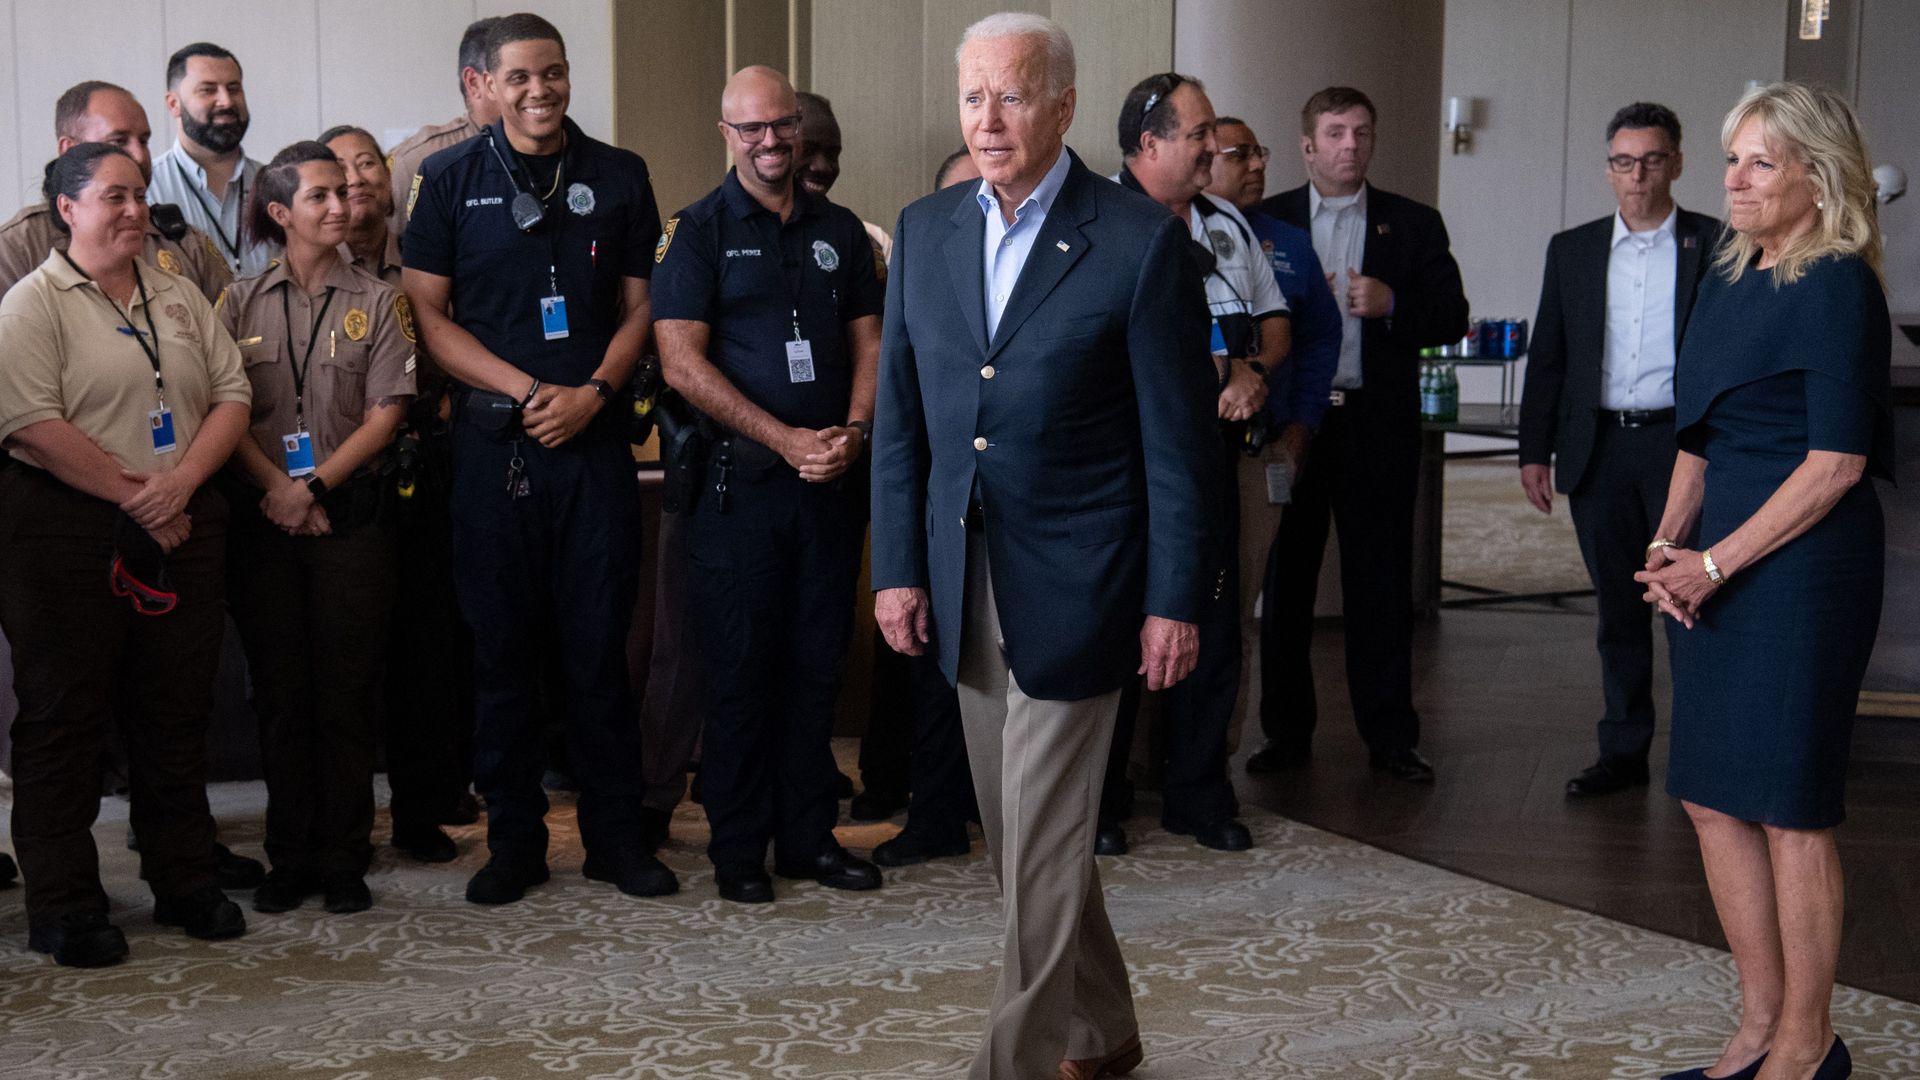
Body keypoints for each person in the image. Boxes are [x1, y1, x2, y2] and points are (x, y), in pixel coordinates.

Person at [872, 14, 1216, 1079]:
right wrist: (895, 565)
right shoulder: (924, 230)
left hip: (1087, 583)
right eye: (973, 96)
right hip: (960, 574)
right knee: (1025, 838)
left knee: (1045, 837)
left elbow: (1179, 446)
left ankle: (1009, 1063)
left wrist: (1176, 599)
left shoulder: (1139, 240)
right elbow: (902, 421)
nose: (987, 119)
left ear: (1062, 107)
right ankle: (1104, 1032)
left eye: (1011, 97)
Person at [1635, 81, 1891, 1080]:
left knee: (1788, 809)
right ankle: (1755, 1026)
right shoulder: (1728, 272)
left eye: (1760, 161)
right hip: (1711, 570)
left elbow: (1836, 464)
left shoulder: (1836, 285)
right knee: (1709, 797)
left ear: (1817, 178)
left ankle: (1807, 1042)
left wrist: (1714, 562)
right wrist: (1667, 547)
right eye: (1732, 156)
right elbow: (1699, 436)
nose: (1732, 178)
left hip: (1801, 573)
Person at [402, 12, 675, 905]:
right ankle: (514, 843)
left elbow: (643, 307)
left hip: (593, 446)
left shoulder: (620, 174)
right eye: (519, 76)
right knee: (503, 655)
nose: (541, 90)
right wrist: (526, 393)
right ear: (483, 84)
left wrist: (593, 391)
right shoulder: (444, 181)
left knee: (600, 654)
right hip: (496, 452)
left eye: (553, 72)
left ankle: (614, 840)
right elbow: (428, 318)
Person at [0, 143, 252, 966]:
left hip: (180, 518)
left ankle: (183, 879)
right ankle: (66, 904)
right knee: (64, 720)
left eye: (140, 196)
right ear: (66, 209)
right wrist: (140, 496)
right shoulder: (32, 304)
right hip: (66, 531)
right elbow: (31, 424)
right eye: (115, 197)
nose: (136, 210)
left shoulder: (176, 291)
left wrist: (177, 488)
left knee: (175, 713)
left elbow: (232, 394)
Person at [653, 66, 884, 903]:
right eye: (751, 129)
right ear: (728, 135)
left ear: (799, 126)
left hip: (829, 484)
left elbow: (870, 343)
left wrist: (852, 434)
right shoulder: (696, 231)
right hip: (737, 491)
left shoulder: (841, 234)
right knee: (742, 674)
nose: (770, 142)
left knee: (817, 666)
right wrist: (785, 439)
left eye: (781, 125)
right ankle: (740, 851)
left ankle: (809, 840)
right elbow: (680, 363)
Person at [216, 142, 415, 915]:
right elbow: (221, 407)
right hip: (263, 522)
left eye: (346, 192)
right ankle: (288, 856)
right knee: (280, 694)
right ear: (279, 213)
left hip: (349, 519)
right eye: (322, 196)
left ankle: (343, 856)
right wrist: (278, 489)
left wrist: (315, 486)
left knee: (344, 692)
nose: (343, 205)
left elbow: (389, 411)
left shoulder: (380, 298)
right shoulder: (236, 302)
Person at [1252, 86, 1469, 784]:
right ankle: (1285, 736)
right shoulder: (1265, 221)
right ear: (1308, 145)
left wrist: (1393, 303)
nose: (1351, 145)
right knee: (1286, 587)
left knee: (1380, 585)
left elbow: (1451, 316)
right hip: (1295, 429)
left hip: (1376, 426)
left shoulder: (1413, 224)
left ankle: (1391, 738)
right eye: (1337, 133)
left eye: (1363, 133)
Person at [1099, 72, 1288, 857]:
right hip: (1124, 459)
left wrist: (1256, 378)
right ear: (1149, 143)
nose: (1217, 146)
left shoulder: (1227, 226)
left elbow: (1272, 323)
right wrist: (1222, 373)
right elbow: (1112, 348)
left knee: (1211, 621)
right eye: (1200, 133)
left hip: (1214, 458)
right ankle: (1103, 800)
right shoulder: (1101, 224)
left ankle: (1199, 792)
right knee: (1114, 628)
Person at [1517, 102, 1721, 799]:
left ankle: (1703, 753)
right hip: (1598, 446)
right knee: (1618, 608)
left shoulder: (1715, 245)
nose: (1639, 175)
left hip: (1680, 448)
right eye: (1625, 161)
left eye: (1653, 159)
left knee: (1690, 600)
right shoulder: (1571, 248)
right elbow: (1549, 356)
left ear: (1678, 163)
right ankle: (1623, 752)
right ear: (1608, 169)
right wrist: (1532, 450)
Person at [323, 123, 474, 863]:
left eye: (368, 165)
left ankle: (424, 809)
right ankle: (340, 822)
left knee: (427, 653)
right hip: (343, 483)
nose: (358, 181)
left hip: (430, 472)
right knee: (348, 661)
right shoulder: (298, 277)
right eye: (339, 171)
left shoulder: (428, 260)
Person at [851, 150, 982, 870]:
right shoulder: (917, 261)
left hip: (1014, 506)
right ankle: (930, 810)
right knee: (926, 661)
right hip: (934, 494)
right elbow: (897, 405)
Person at [1202, 115, 1342, 756]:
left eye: (1261, 151)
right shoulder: (1163, 228)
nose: (1258, 164)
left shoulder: (1286, 243)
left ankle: (1222, 750)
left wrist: (1302, 426)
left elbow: (1317, 339)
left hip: (1264, 445)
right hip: (1181, 447)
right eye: (1241, 154)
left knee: (1246, 605)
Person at [0, 80, 230, 302]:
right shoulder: (19, 247)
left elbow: (233, 327)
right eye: (119, 141)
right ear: (69, 149)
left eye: (143, 141)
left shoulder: (182, 242)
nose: (139, 156)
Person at [147, 43, 274, 278]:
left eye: (234, 88)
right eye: (208, 90)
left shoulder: (275, 183)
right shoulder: (146, 189)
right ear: (174, 104)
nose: (225, 101)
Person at [388, 17, 504, 235]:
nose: (535, 90)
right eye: (515, 75)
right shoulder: (417, 160)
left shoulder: (553, 148)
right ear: (474, 82)